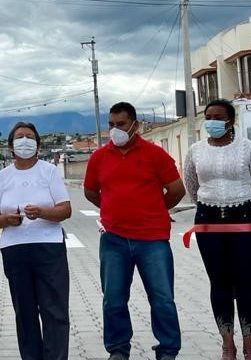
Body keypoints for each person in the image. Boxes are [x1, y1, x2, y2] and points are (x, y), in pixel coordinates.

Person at [84, 101, 185, 360]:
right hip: (114, 240)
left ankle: (168, 350)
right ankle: (118, 350)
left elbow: (176, 190)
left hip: (153, 240)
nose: (115, 130)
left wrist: (154, 210)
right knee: (114, 299)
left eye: (121, 124)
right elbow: (90, 191)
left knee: (162, 299)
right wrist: (112, 209)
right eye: (111, 125)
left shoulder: (155, 154)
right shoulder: (99, 157)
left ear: (135, 125)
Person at [183, 100, 251, 360]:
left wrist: (249, 210)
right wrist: (208, 204)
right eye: (208, 116)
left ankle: (250, 343)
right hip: (209, 221)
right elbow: (191, 184)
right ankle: (227, 344)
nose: (212, 121)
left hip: (245, 219)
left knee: (246, 284)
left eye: (218, 117)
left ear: (230, 121)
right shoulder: (196, 150)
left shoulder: (248, 148)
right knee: (219, 283)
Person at [0, 122, 71, 360]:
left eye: (30, 137)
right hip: (15, 250)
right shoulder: (3, 176)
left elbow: (65, 209)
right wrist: (6, 219)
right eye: (20, 137)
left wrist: (43, 212)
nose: (25, 141)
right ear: (11, 145)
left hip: (49, 247)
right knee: (24, 313)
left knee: (54, 310)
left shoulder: (49, 171)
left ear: (37, 144)